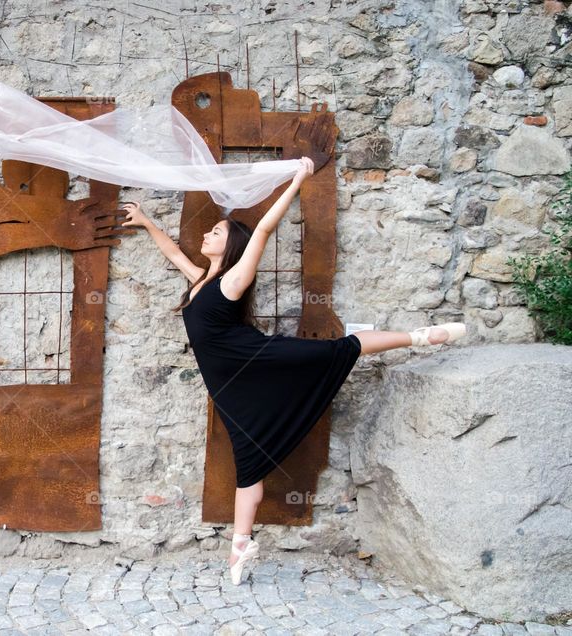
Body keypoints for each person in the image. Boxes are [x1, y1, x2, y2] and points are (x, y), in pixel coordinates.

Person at [119, 157, 467, 585]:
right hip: (231, 388)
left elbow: (262, 230)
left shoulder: (233, 281)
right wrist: (146, 220)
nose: (207, 233)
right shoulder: (199, 282)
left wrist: (300, 178)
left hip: (260, 358)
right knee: (249, 463)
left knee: (340, 350)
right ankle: (241, 545)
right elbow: (173, 252)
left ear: (230, 249)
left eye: (217, 232)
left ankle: (416, 336)